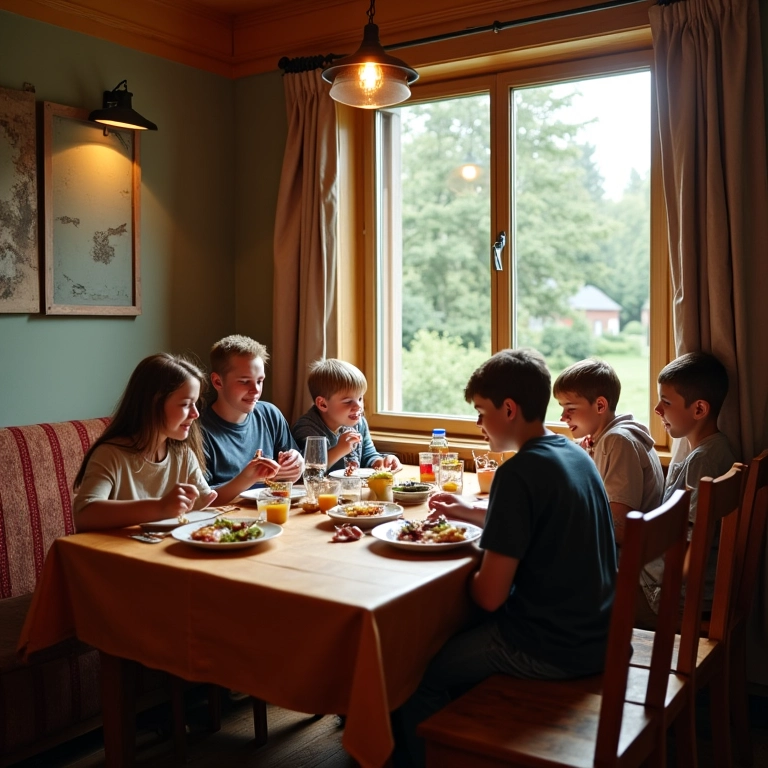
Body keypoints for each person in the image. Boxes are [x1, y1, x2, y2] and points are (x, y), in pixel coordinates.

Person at [392, 349, 617, 767]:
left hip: (549, 648)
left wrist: (474, 557)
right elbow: (541, 517)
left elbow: (490, 597)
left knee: (412, 673)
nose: (478, 424)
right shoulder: (573, 455)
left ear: (508, 408)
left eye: (481, 411)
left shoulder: (517, 474)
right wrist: (468, 510)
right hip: (599, 634)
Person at [637, 350, 737, 627]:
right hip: (670, 588)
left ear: (699, 409)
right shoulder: (718, 450)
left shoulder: (703, 461)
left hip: (669, 598)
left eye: (666, 402)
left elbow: (691, 545)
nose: (657, 409)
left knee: (581, 594)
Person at [73, 353, 218, 532]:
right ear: (154, 404)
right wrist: (160, 507)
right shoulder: (111, 454)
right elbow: (84, 515)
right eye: (185, 404)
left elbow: (206, 502)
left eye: (196, 403)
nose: (195, 414)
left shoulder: (182, 454)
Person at [553, 358, 664, 544]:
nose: (563, 417)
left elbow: (619, 529)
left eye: (570, 408)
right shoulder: (605, 437)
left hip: (629, 562)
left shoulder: (618, 442)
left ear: (600, 406)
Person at [199, 335, 304, 504]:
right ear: (218, 382)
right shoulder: (198, 430)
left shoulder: (270, 414)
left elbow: (295, 476)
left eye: (260, 381)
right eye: (244, 382)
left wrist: (298, 464)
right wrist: (251, 478)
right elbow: (202, 498)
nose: (255, 390)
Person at [291, 358, 401, 473]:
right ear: (323, 404)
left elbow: (368, 455)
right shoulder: (307, 429)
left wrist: (381, 462)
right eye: (348, 401)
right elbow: (309, 470)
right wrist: (339, 449)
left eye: (360, 398)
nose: (358, 407)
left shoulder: (359, 423)